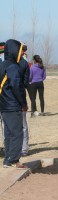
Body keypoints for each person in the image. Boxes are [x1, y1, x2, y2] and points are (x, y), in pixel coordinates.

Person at [0, 39, 28, 169]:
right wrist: (23, 103)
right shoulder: (13, 67)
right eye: (20, 50)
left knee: (9, 133)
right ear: (14, 51)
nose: (22, 53)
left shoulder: (3, 64)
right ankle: (13, 159)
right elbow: (16, 86)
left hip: (4, 105)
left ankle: (8, 159)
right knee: (17, 133)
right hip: (12, 104)